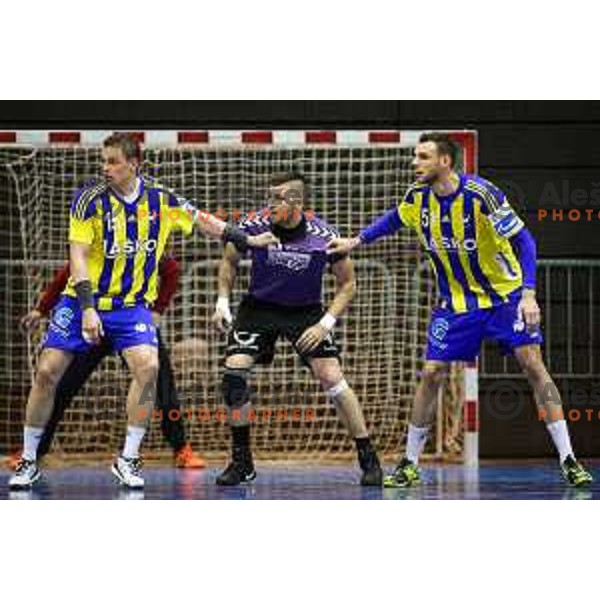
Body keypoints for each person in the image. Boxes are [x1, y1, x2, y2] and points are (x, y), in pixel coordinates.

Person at [9, 132, 277, 490]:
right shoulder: (88, 199)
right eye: (103, 160)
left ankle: (129, 458)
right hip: (81, 301)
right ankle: (28, 460)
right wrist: (88, 310)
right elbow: (76, 258)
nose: (105, 167)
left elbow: (204, 220)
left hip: (131, 305)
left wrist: (248, 240)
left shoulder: (160, 199)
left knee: (149, 367)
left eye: (113, 161)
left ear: (133, 164)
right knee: (47, 371)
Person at [328, 132, 593, 488]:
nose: (414, 163)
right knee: (432, 372)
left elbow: (524, 241)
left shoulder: (481, 195)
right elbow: (394, 218)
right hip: (455, 305)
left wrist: (528, 294)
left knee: (532, 364)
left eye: (423, 157)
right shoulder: (418, 197)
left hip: (505, 297)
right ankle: (409, 463)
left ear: (445, 161)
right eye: (415, 156)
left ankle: (569, 459)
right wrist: (355, 241)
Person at [211, 172, 382, 486]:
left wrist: (324, 324)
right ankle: (242, 461)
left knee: (331, 375)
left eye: (279, 198)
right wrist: (222, 301)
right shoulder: (252, 225)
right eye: (270, 197)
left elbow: (348, 285)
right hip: (259, 308)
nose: (271, 204)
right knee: (233, 377)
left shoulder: (324, 235)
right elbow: (230, 261)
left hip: (305, 312)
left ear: (298, 202)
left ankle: (368, 458)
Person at [9, 257, 206, 469]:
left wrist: (157, 310)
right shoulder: (95, 240)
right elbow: (70, 272)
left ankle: (180, 448)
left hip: (131, 321)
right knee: (63, 384)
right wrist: (42, 309)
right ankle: (33, 451)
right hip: (94, 322)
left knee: (159, 382)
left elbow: (171, 269)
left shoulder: (142, 239)